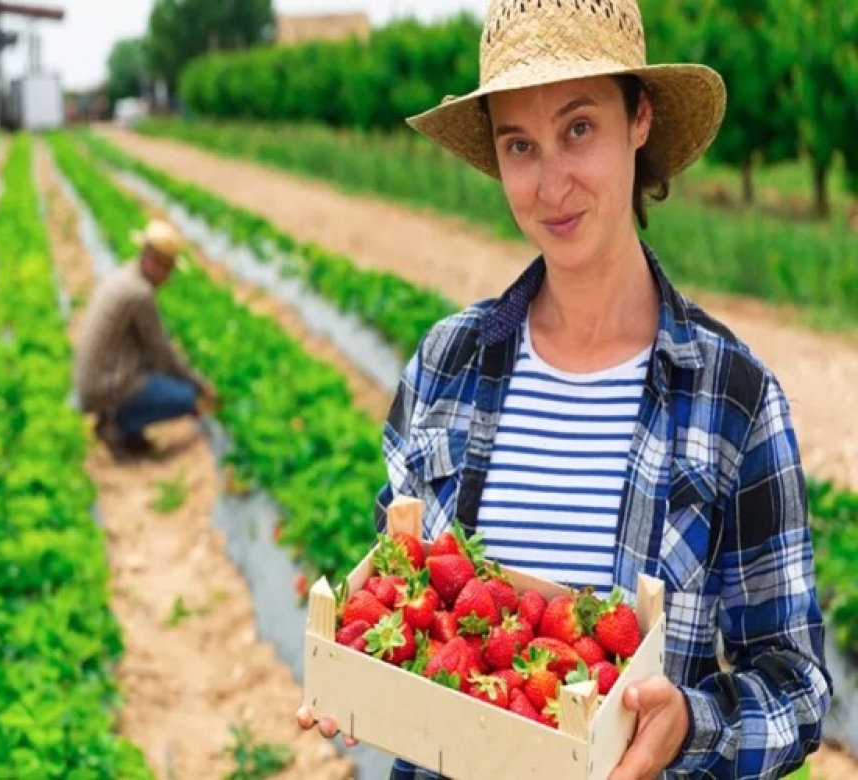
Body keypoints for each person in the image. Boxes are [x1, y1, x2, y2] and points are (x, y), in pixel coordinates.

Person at [295, 0, 832, 777]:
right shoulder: (444, 366)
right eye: (520, 145)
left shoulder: (733, 399)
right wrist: (361, 671)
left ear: (638, 120)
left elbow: (798, 688)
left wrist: (689, 725)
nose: (551, 185)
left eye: (578, 129)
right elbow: (400, 584)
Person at [74, 219, 217, 458]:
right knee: (184, 397)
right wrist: (199, 385)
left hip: (92, 381)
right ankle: (120, 426)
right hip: (104, 386)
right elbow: (162, 353)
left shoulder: (123, 276)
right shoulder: (139, 294)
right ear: (153, 263)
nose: (168, 278)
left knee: (157, 376)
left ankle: (117, 420)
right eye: (167, 269)